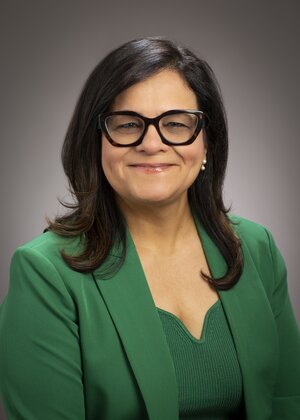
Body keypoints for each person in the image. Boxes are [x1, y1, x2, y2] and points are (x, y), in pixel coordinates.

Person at [0, 36, 299, 420]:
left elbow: (288, 402)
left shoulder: (256, 248)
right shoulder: (45, 274)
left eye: (176, 124)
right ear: (97, 142)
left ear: (207, 143)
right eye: (128, 124)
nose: (152, 143)